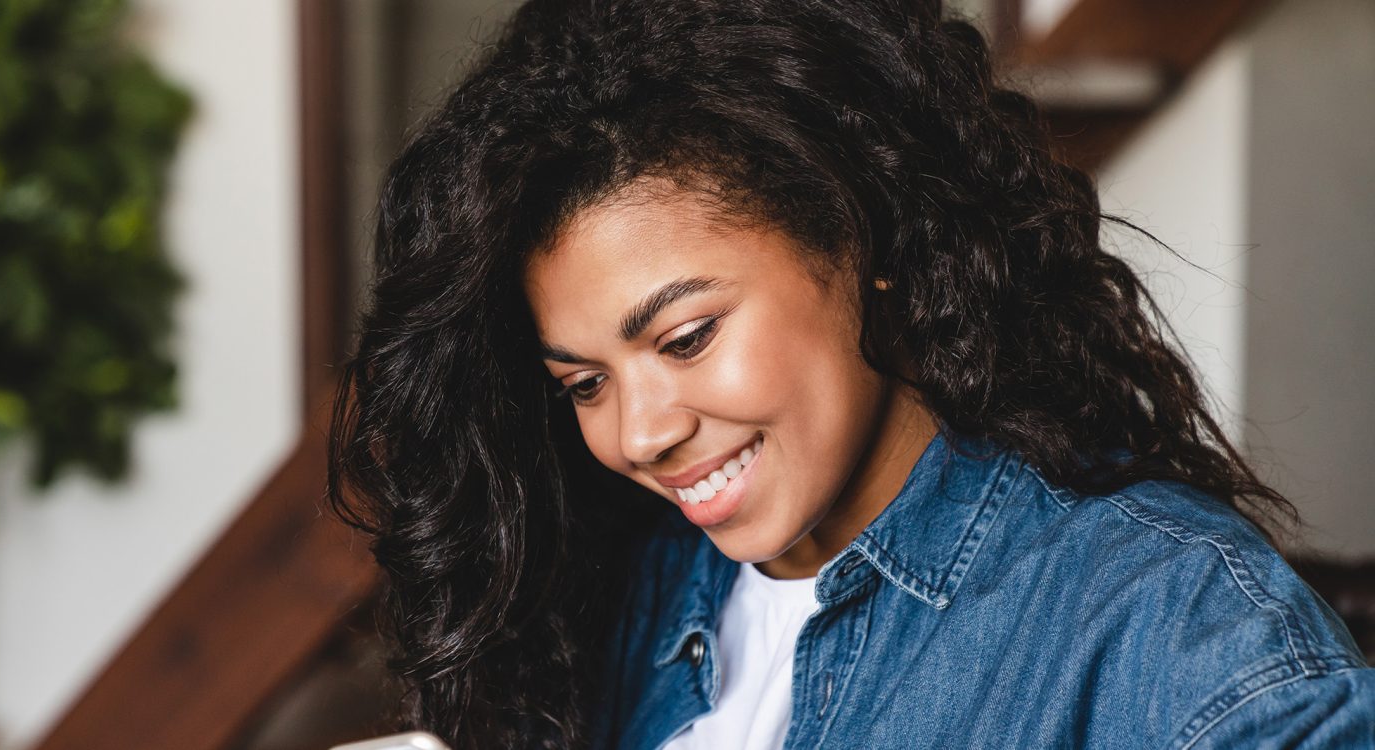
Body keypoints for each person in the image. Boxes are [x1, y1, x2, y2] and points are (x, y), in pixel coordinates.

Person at [324, 0, 1375, 747]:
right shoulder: (633, 588)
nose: (637, 433)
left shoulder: (1166, 619)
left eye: (686, 338)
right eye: (583, 383)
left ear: (863, 243)